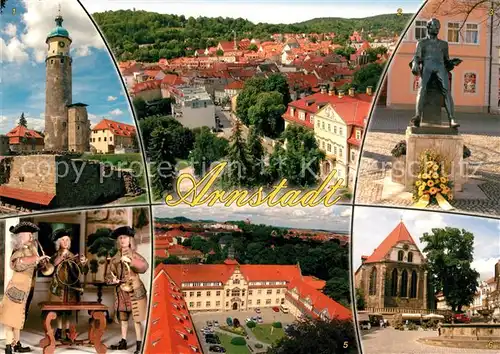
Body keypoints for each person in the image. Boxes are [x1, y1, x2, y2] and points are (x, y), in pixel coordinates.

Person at [0, 221, 50, 354]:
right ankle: (9, 346)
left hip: (27, 289)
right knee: (10, 318)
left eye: (32, 235)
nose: (32, 237)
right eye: (29, 235)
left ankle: (16, 344)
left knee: (19, 317)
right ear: (21, 236)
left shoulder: (32, 249)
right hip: (16, 289)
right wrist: (35, 258)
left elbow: (34, 266)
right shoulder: (18, 250)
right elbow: (16, 265)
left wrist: (42, 262)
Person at [410, 18, 460, 129]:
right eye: (434, 26)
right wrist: (414, 64)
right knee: (422, 89)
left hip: (440, 67)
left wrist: (453, 62)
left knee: (447, 91)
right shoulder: (422, 43)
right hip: (427, 66)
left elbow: (446, 60)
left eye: (438, 27)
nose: (437, 28)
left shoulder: (443, 44)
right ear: (428, 27)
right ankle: (418, 116)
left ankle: (452, 119)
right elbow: (417, 57)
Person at [106, 226, 148, 354]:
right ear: (118, 241)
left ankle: (139, 344)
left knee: (136, 320)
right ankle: (123, 341)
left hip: (135, 291)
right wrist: (112, 280)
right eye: (120, 238)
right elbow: (109, 275)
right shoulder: (114, 258)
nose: (122, 240)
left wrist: (130, 261)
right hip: (121, 292)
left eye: (125, 237)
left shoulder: (135, 255)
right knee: (123, 319)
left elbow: (144, 267)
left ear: (130, 240)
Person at [48, 228, 88, 341]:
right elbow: (51, 266)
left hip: (71, 288)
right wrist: (61, 257)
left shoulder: (73, 256)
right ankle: (59, 330)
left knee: (69, 310)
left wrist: (83, 263)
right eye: (63, 240)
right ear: (59, 242)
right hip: (58, 287)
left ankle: (67, 331)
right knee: (59, 311)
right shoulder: (55, 255)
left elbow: (82, 270)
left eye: (67, 240)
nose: (65, 242)